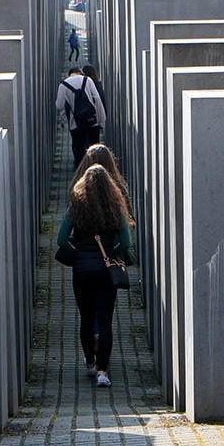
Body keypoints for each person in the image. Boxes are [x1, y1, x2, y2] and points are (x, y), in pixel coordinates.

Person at [56, 164, 134, 387]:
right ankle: (102, 372)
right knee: (105, 320)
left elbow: (61, 239)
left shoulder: (76, 207)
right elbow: (127, 241)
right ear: (109, 186)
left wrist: (76, 254)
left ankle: (90, 362)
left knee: (86, 318)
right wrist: (112, 253)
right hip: (105, 270)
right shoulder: (115, 207)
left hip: (82, 271)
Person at [55, 67, 106, 169]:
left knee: (79, 150)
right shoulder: (88, 80)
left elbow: (59, 105)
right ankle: (95, 172)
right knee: (94, 148)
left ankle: (81, 173)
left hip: (76, 123)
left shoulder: (63, 84)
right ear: (80, 73)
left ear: (69, 75)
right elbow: (97, 99)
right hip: (92, 121)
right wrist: (102, 120)